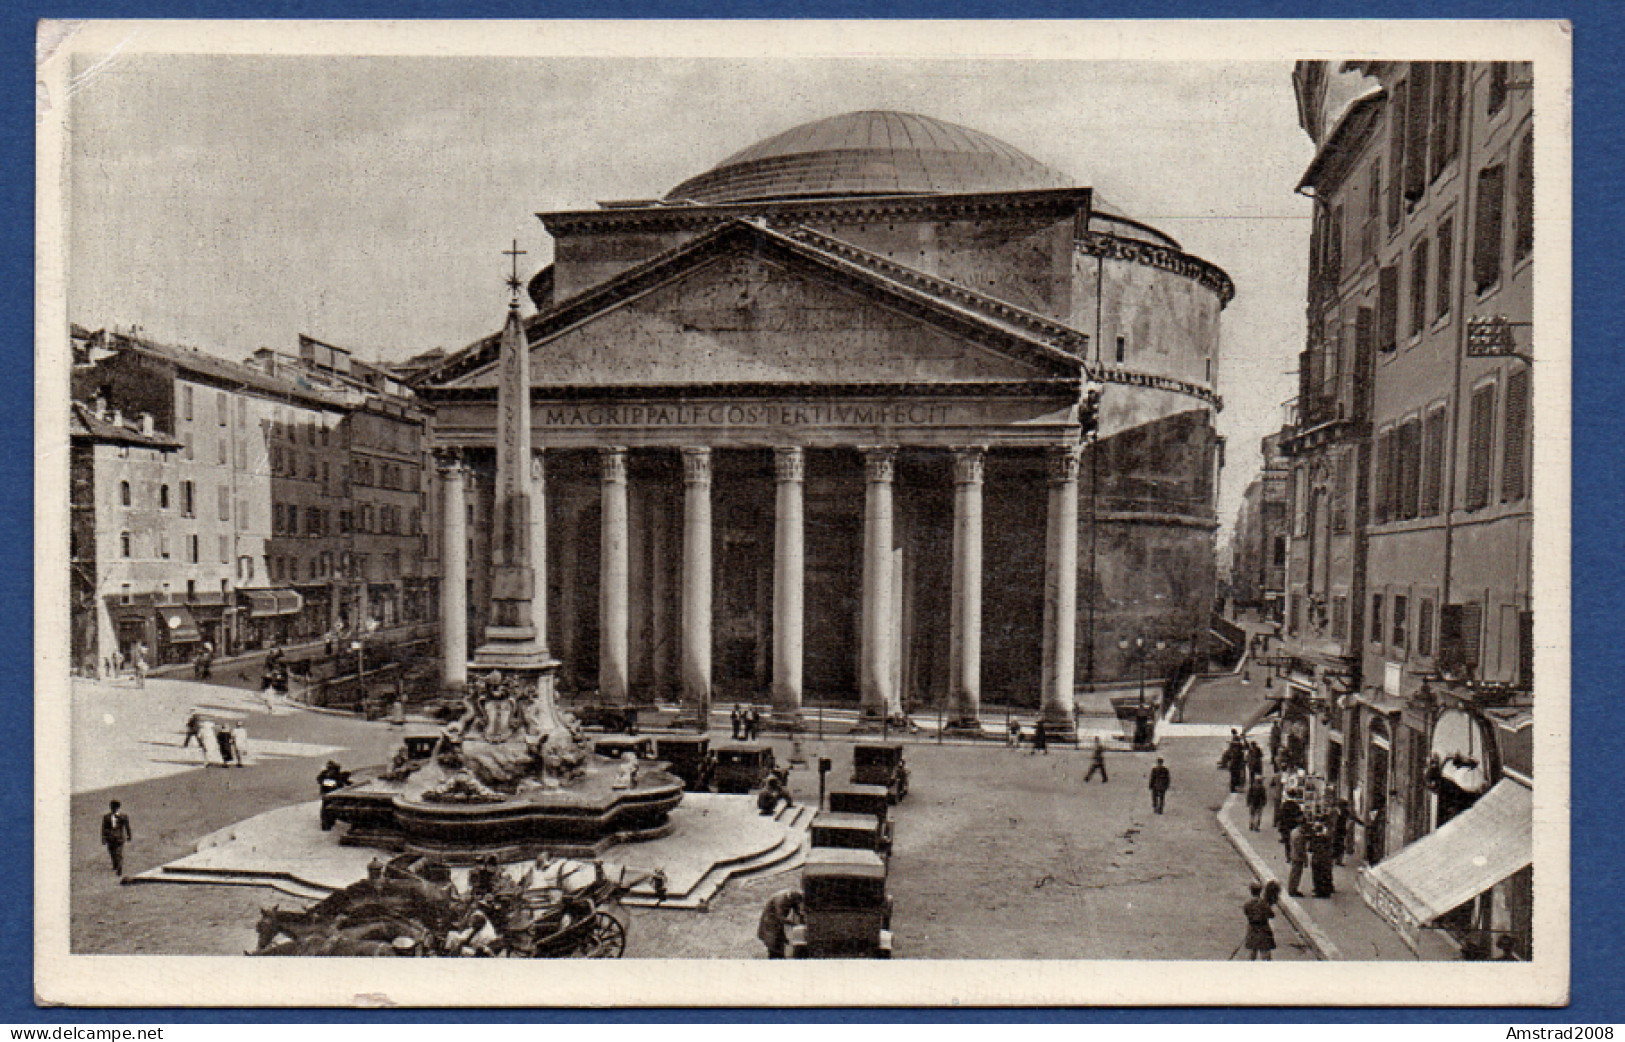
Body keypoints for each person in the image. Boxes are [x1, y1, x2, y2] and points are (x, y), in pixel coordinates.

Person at [757, 888, 803, 958]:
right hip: (770, 924)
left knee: (780, 945)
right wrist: (794, 924)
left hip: (777, 925)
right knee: (774, 947)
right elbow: (780, 917)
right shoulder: (780, 900)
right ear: (791, 898)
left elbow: (797, 910)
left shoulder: (792, 898)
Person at [1242, 880, 1280, 960]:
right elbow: (1271, 915)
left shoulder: (1247, 904)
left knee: (1252, 951)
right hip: (1263, 929)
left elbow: (1246, 912)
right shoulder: (1264, 904)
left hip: (1252, 929)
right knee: (1265, 952)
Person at [101, 800, 133, 878]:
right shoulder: (106, 817)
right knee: (112, 852)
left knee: (118, 853)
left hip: (119, 838)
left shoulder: (123, 816)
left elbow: (127, 827)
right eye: (112, 808)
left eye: (115, 808)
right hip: (110, 838)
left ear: (118, 808)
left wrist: (129, 836)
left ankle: (119, 867)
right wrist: (103, 838)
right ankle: (115, 864)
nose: (113, 809)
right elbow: (104, 828)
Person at [1310, 820, 1337, 897]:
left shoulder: (1316, 838)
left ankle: (1319, 891)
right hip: (1325, 858)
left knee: (1317, 875)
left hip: (1318, 859)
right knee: (1325, 874)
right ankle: (1326, 889)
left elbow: (1311, 848)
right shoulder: (1326, 837)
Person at [1286, 822, 1309, 897]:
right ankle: (1293, 889)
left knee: (1293, 873)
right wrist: (1305, 859)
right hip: (1298, 857)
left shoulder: (1294, 832)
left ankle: (1292, 888)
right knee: (1296, 874)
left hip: (1293, 855)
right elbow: (1300, 849)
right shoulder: (1299, 835)